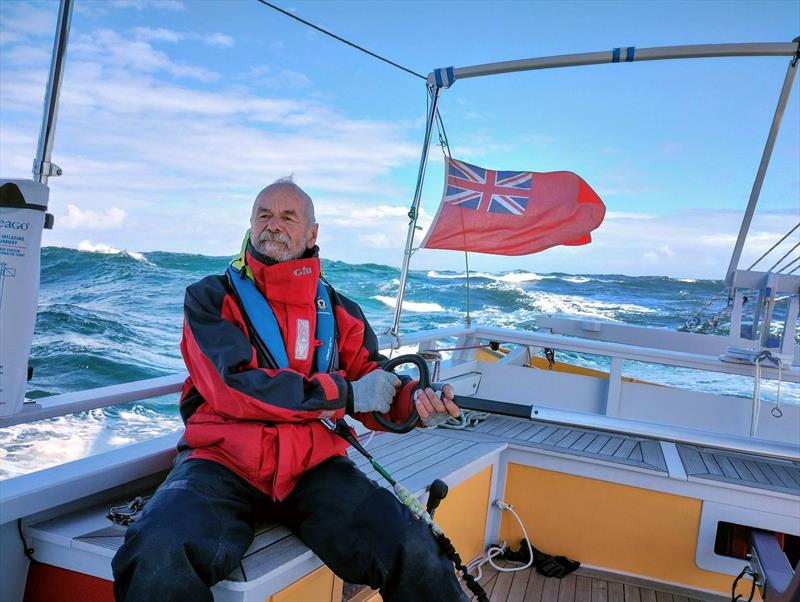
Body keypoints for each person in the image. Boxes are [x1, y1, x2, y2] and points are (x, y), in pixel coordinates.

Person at [112, 177, 466, 602]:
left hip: (313, 468)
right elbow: (234, 386)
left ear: (312, 233)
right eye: (264, 214)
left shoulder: (340, 311)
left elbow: (374, 382)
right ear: (250, 223)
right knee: (157, 549)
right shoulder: (209, 298)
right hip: (222, 462)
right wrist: (346, 394)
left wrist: (417, 404)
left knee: (415, 547)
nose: (273, 225)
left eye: (287, 216)